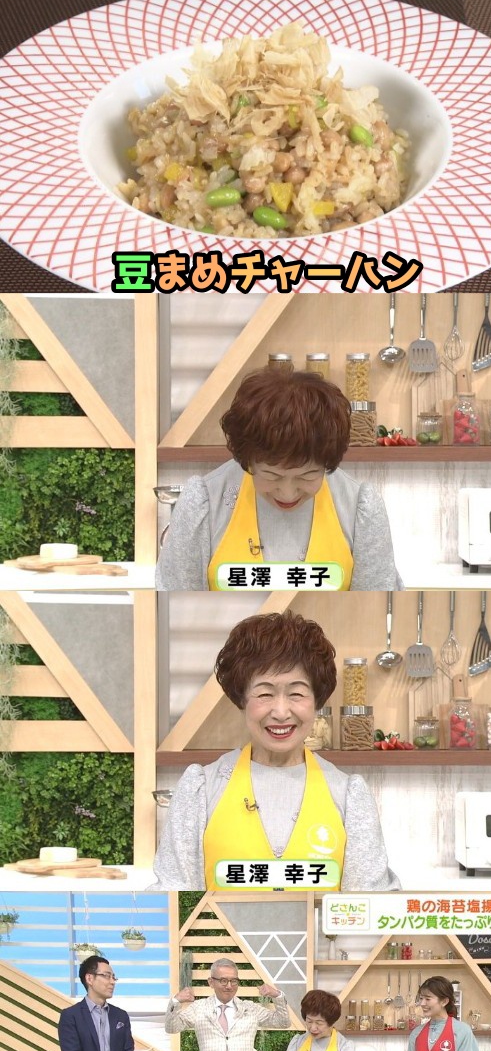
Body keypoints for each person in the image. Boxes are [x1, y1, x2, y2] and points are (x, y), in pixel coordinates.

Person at [153, 610, 400, 891]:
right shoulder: (201, 788)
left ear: (316, 701)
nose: (281, 712)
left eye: (296, 694)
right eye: (265, 694)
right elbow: (174, 897)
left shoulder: (348, 795)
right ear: (242, 699)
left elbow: (368, 905)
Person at [155, 367, 402, 591]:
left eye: (307, 475)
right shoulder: (204, 503)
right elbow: (175, 601)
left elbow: (375, 600)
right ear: (248, 460)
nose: (288, 493)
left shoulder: (359, 507)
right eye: (272, 475)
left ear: (328, 463)